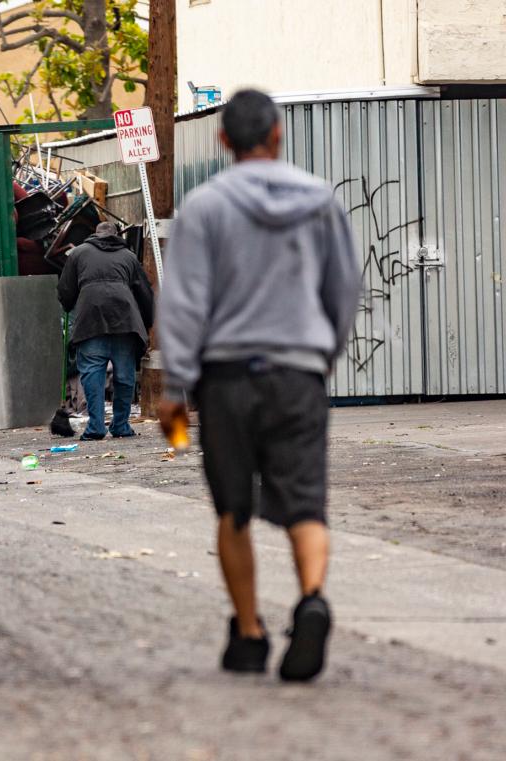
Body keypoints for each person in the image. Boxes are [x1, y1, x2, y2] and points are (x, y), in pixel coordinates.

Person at [156, 89, 361, 681]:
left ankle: (248, 634)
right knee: (305, 501)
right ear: (277, 135)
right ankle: (313, 597)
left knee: (234, 507)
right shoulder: (321, 200)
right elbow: (343, 288)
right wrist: (322, 352)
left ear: (224, 142)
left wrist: (177, 385)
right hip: (299, 372)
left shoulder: (205, 207)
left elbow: (186, 302)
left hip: (226, 381)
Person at [57, 222, 154, 440]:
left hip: (90, 319)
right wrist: (148, 322)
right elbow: (144, 293)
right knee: (125, 374)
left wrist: (67, 303)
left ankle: (96, 427)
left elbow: (65, 290)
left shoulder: (78, 254)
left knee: (92, 371)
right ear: (117, 236)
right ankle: (120, 425)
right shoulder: (128, 256)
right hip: (125, 321)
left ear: (95, 235)